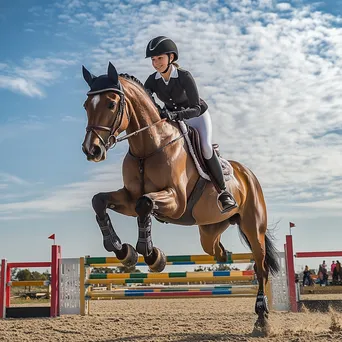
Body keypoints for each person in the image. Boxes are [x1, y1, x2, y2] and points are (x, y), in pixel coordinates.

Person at [144, 36, 237, 213]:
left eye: (160, 58)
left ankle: (223, 192)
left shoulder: (184, 76)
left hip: (197, 116)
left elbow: (195, 107)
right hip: (174, 120)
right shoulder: (152, 80)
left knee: (205, 148)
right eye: (153, 60)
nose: (156, 63)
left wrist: (174, 114)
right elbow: (147, 101)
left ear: (171, 58)